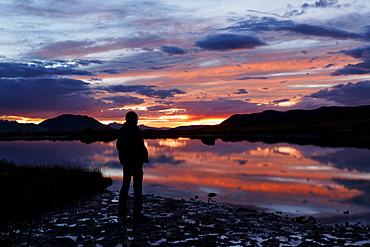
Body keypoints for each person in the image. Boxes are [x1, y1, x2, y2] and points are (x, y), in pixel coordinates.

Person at [116, 111, 149, 219]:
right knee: (137, 187)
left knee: (125, 186)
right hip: (135, 162)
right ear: (132, 119)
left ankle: (121, 211)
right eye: (136, 118)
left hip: (126, 162)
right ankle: (137, 212)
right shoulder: (134, 129)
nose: (137, 120)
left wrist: (123, 158)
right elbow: (138, 145)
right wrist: (142, 158)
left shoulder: (122, 130)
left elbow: (119, 146)